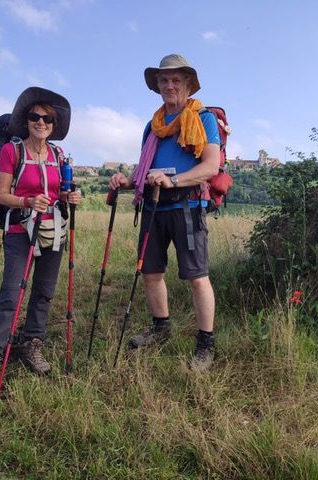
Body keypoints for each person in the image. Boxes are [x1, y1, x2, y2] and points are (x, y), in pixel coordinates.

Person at [109, 54, 220, 371]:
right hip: (154, 206)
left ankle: (205, 344)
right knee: (151, 272)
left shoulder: (204, 118)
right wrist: (127, 181)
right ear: (157, 86)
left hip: (188, 206)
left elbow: (210, 166)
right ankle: (161, 328)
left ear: (187, 84)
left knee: (197, 278)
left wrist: (172, 180)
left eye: (175, 80)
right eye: (163, 80)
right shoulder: (153, 126)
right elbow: (147, 169)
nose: (169, 85)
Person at [0, 87, 81, 393]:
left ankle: (32, 343)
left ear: (54, 124)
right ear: (26, 120)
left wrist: (69, 195)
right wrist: (27, 202)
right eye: (35, 116)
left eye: (47, 118)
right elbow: (2, 194)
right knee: (11, 294)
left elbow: (57, 192)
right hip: (21, 231)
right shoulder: (12, 151)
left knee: (44, 292)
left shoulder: (58, 155)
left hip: (53, 230)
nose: (41, 122)